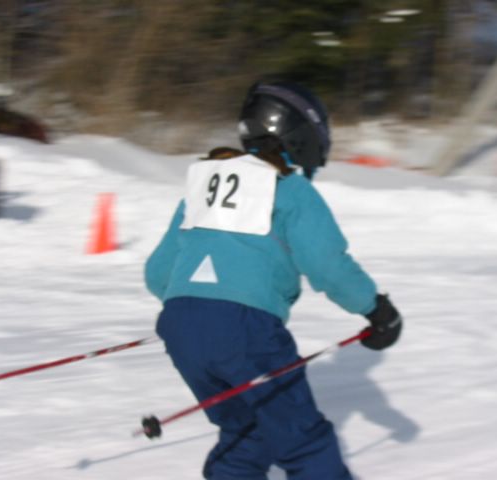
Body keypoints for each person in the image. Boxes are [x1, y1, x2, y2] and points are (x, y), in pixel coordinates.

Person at [144, 80, 402, 480]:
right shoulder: (290, 189)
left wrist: (198, 311)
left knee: (247, 431)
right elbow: (326, 265)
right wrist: (376, 309)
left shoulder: (204, 188)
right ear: (301, 133)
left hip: (180, 326)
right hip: (246, 330)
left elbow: (158, 272)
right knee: (302, 439)